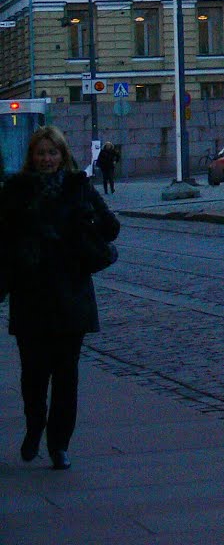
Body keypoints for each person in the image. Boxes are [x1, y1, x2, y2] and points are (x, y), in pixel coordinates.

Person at [0, 125, 120, 471]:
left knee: (66, 374)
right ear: (32, 158)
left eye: (53, 153)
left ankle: (59, 444)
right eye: (41, 153)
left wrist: (86, 222)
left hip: (71, 293)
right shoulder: (16, 190)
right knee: (33, 374)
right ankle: (34, 427)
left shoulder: (77, 188)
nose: (47, 159)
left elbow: (110, 228)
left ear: (63, 155)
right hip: (30, 294)